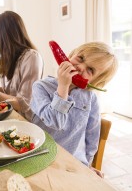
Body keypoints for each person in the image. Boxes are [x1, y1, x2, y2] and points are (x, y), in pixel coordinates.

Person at [31, 42, 118, 177]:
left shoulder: (91, 99)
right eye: (81, 58)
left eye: (90, 70)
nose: (80, 67)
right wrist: (63, 87)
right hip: (38, 157)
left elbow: (92, 137)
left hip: (71, 164)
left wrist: (87, 165)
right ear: (71, 55)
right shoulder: (41, 87)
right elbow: (54, 122)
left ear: (94, 81)